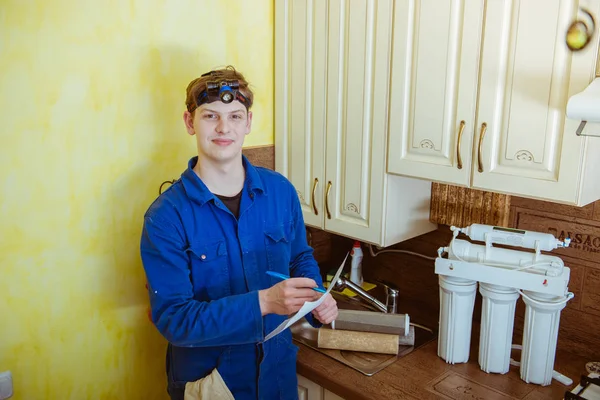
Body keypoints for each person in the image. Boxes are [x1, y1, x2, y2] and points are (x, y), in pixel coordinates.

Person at [140, 66, 338, 400]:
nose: (223, 128)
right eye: (210, 116)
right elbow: (174, 320)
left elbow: (300, 256)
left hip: (277, 373)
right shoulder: (165, 217)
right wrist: (264, 301)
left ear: (248, 122)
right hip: (211, 382)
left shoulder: (280, 191)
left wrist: (315, 294)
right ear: (190, 123)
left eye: (234, 116)